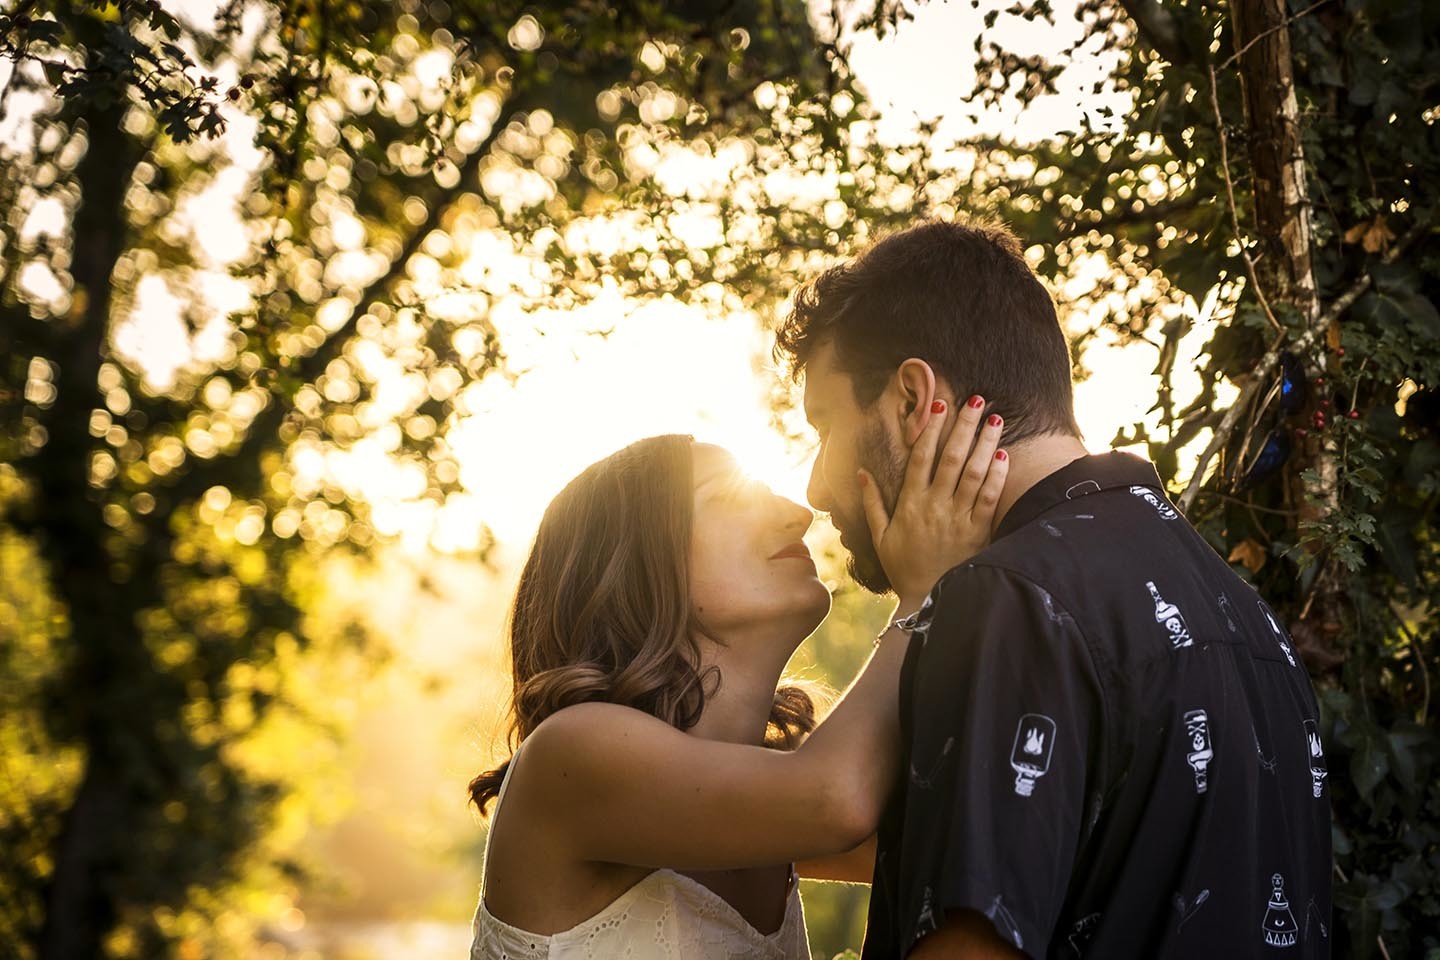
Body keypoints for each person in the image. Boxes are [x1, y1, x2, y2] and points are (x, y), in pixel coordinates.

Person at [774, 219, 1333, 958]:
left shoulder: (1004, 600)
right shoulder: (1236, 606)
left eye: (824, 424)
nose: (815, 486)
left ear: (913, 400)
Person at [468, 400, 1010, 959]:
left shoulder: (778, 793)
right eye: (730, 499)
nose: (798, 513)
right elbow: (837, 801)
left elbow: (980, 847)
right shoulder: (572, 754)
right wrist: (925, 593)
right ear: (634, 563)